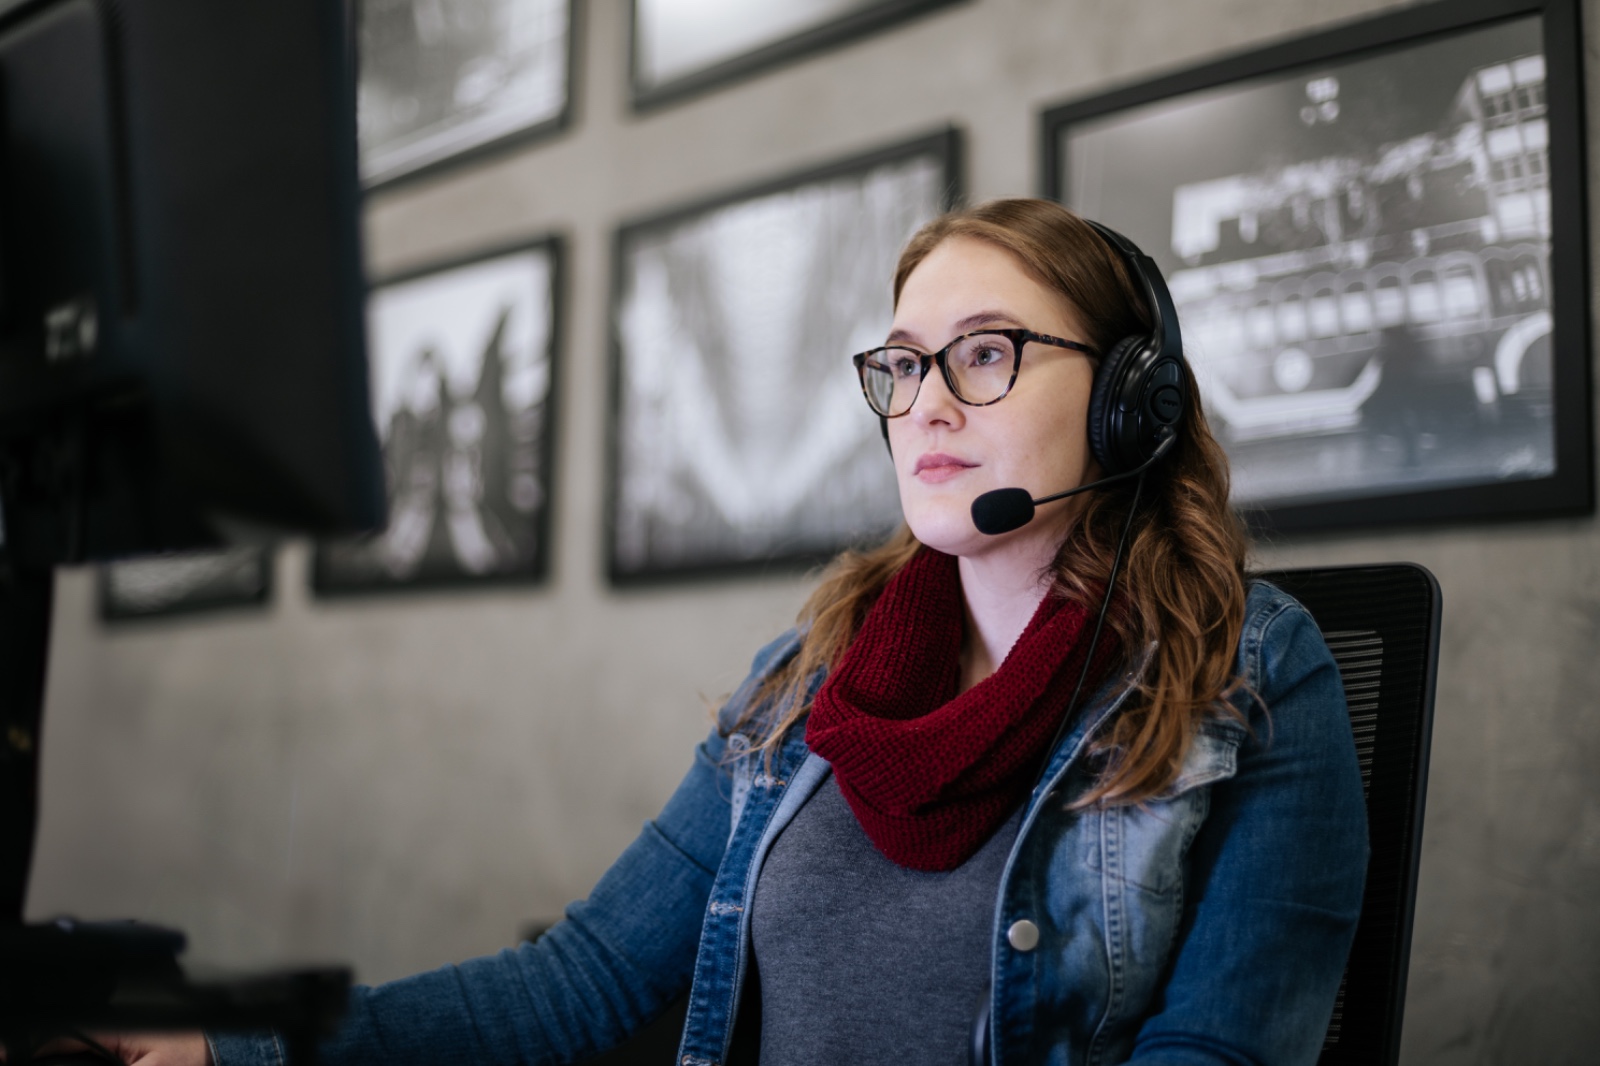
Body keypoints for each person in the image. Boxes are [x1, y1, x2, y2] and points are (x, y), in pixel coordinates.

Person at [52, 198, 1368, 1066]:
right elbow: (580, 982)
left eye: (986, 353)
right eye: (904, 363)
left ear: (1135, 400)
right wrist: (235, 1052)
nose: (926, 402)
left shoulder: (1254, 671)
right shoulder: (808, 682)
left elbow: (1221, 1055)